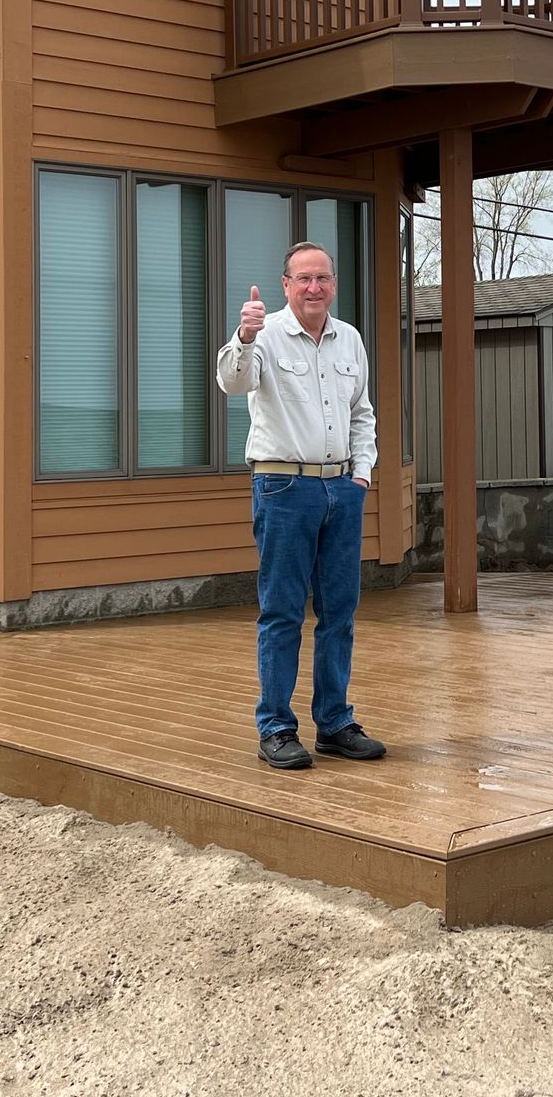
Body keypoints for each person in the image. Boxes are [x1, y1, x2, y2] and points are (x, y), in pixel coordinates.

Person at [216, 241, 384, 771]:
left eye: (323, 278)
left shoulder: (350, 340)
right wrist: (242, 336)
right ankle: (276, 728)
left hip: (342, 490)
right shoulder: (263, 335)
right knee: (283, 611)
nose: (314, 288)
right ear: (286, 284)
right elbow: (232, 381)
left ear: (333, 284)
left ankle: (334, 723)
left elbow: (362, 413)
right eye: (303, 279)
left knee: (340, 612)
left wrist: (361, 473)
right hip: (284, 488)